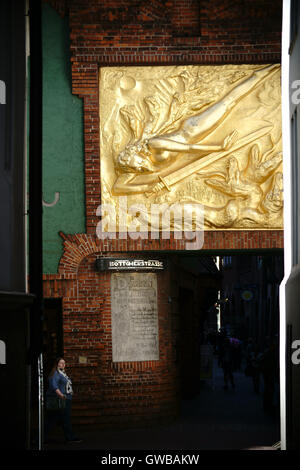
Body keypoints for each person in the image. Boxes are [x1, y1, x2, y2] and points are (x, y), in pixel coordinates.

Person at [112, 64, 280, 195]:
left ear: (140, 154)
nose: (143, 168)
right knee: (228, 103)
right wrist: (147, 187)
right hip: (191, 141)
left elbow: (189, 148)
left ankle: (259, 75)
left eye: (140, 163)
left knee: (229, 102)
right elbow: (117, 188)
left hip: (194, 130)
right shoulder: (134, 168)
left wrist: (219, 147)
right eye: (138, 169)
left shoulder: (154, 145)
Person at [44, 357, 82, 444]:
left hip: (65, 399)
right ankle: (70, 438)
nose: (63, 364)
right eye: (61, 363)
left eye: (64, 363)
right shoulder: (56, 374)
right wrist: (62, 395)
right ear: (57, 364)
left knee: (53, 420)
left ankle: (40, 438)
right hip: (60, 400)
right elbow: (54, 386)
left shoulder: (63, 373)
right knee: (64, 419)